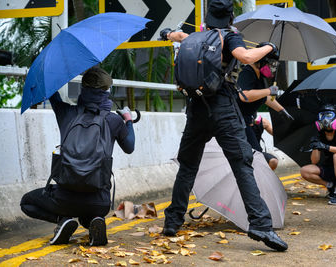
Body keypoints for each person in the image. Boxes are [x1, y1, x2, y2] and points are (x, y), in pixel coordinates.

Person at [159, 0, 288, 251]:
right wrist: (270, 46)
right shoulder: (230, 37)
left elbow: (175, 35)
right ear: (230, 17)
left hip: (196, 109)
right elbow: (246, 56)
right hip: (223, 110)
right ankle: (261, 225)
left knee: (187, 167)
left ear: (207, 17)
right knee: (242, 165)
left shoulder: (195, 36)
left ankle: (172, 222)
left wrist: (167, 34)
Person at [20, 66, 135, 246]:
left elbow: (52, 93)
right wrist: (127, 120)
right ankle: (94, 223)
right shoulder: (113, 120)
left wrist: (46, 73)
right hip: (100, 201)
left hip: (65, 199)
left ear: (83, 89)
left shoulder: (66, 113)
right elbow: (130, 147)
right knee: (89, 214)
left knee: (26, 202)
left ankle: (63, 220)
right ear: (107, 92)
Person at [236, 51, 294, 171]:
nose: (272, 68)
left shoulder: (260, 76)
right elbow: (244, 95)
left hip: (249, 121)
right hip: (238, 122)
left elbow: (264, 97)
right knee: (256, 158)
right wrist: (268, 90)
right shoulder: (247, 73)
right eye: (271, 64)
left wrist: (282, 111)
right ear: (260, 61)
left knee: (257, 157)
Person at [300, 104, 336, 205]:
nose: (325, 119)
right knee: (304, 170)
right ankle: (330, 186)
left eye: (328, 115)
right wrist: (316, 146)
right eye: (322, 115)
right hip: (330, 169)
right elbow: (314, 161)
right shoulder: (319, 135)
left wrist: (326, 147)